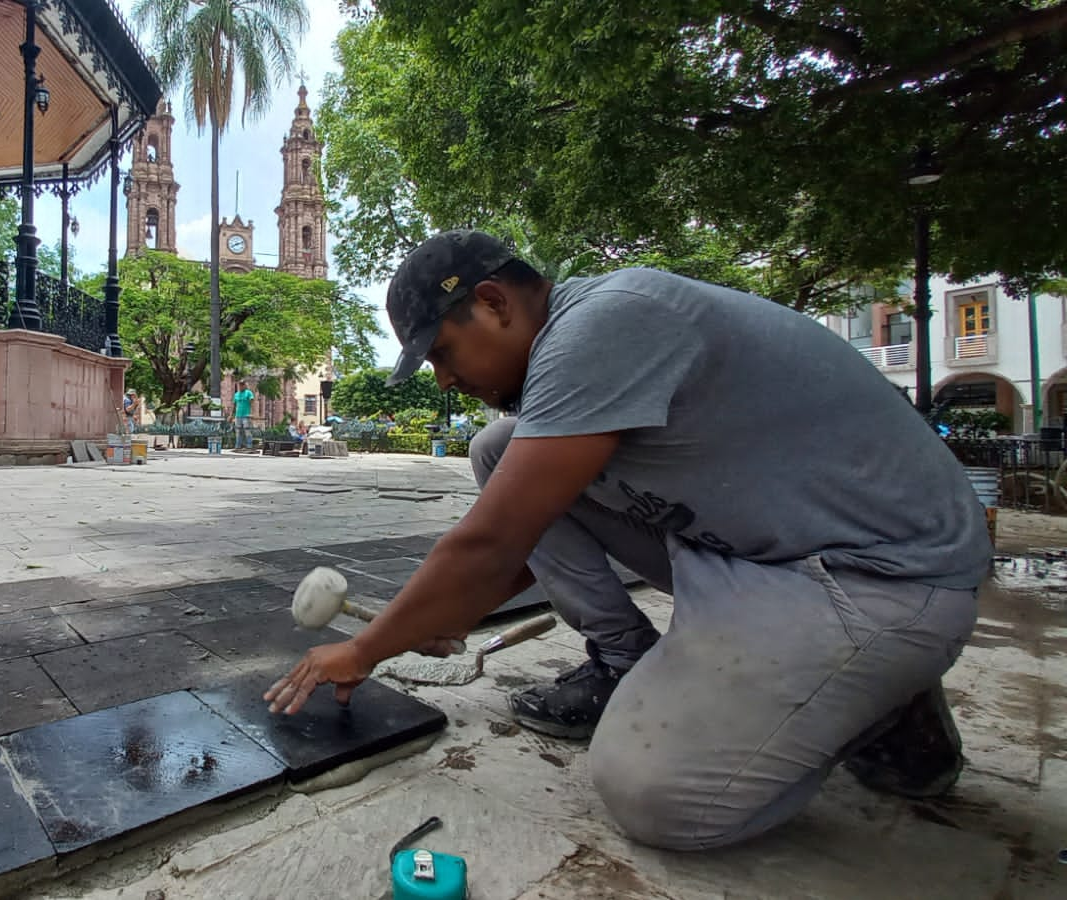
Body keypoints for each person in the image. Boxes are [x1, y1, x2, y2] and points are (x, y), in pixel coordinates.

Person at [264, 230, 989, 852]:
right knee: (501, 449)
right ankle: (623, 659)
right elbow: (521, 541)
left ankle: (880, 701)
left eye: (445, 353)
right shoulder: (580, 340)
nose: (446, 380)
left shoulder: (604, 326)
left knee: (654, 794)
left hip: (881, 577)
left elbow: (490, 543)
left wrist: (366, 649)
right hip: (756, 553)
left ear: (493, 301)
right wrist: (436, 614)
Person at [232, 383, 255, 449]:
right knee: (238, 431)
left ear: (245, 385)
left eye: (242, 385)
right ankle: (238, 446)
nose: (241, 386)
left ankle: (249, 445)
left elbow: (252, 401)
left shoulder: (248, 393)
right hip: (238, 415)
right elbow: (234, 405)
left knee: (247, 430)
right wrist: (231, 415)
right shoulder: (236, 394)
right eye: (240, 385)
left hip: (246, 415)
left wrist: (252, 413)